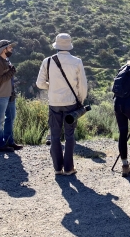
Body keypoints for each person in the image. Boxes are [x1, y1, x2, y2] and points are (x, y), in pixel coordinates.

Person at [36, 33, 88, 176]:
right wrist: (81, 100)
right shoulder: (77, 61)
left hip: (54, 102)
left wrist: (51, 87)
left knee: (54, 135)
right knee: (69, 135)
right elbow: (83, 85)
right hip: (71, 102)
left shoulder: (47, 61)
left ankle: (57, 168)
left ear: (56, 45)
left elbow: (39, 84)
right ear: (69, 45)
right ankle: (69, 168)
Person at [0, 40, 23, 153]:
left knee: (11, 117)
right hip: (0, 95)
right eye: (10, 47)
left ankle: (9, 142)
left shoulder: (5, 59)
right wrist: (11, 72)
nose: (11, 49)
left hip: (9, 94)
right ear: (4, 49)